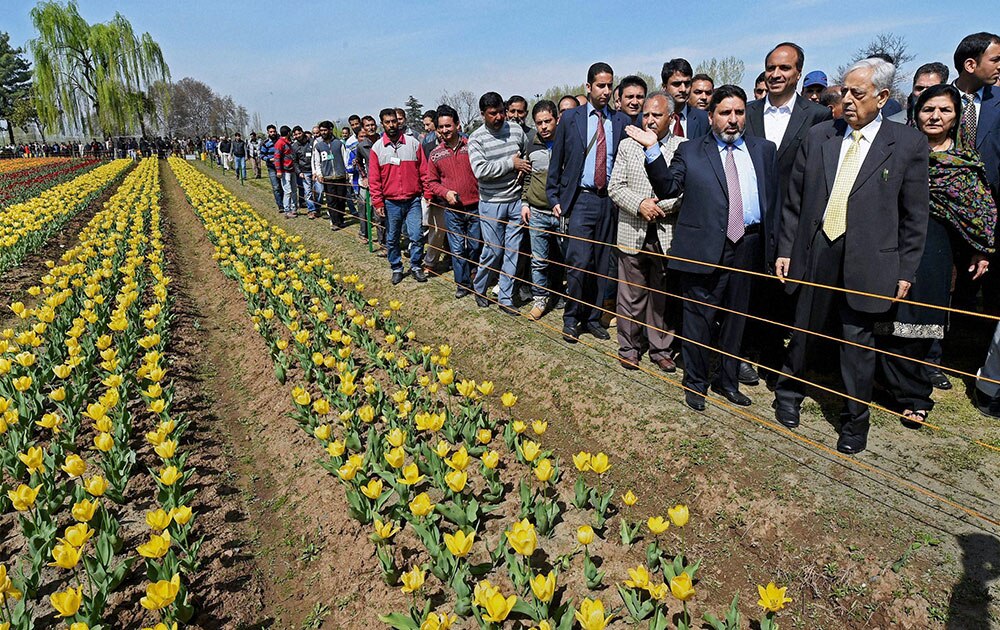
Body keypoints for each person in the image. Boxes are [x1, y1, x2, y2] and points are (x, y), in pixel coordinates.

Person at [773, 58, 930, 455]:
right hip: (817, 249)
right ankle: (788, 393)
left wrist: (905, 269)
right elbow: (794, 201)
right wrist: (787, 250)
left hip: (870, 259)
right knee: (804, 328)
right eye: (843, 91)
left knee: (858, 343)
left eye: (856, 94)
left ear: (882, 97)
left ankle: (855, 421)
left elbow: (915, 216)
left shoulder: (906, 143)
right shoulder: (820, 136)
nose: (845, 100)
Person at [633, 85, 778, 410]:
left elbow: (774, 202)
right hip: (704, 249)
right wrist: (653, 150)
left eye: (739, 112)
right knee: (698, 320)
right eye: (725, 113)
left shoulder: (764, 150)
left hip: (748, 248)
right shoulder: (691, 150)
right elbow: (668, 186)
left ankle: (728, 381)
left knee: (736, 318)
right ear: (711, 116)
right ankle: (695, 383)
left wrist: (775, 250)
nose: (733, 120)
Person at [876, 84, 995, 425]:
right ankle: (884, 383)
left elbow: (980, 211)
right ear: (916, 112)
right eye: (928, 109)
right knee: (886, 314)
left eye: (944, 110)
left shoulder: (964, 161)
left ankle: (914, 395)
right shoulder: (895, 151)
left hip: (936, 248)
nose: (935, 116)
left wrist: (979, 249)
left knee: (920, 321)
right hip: (892, 241)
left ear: (956, 117)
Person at [743, 41, 833, 384]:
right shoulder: (747, 113)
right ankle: (748, 349)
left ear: (798, 72)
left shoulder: (819, 118)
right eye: (771, 68)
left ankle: (778, 354)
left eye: (785, 68)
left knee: (788, 289)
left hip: (797, 219)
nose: (777, 74)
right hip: (754, 219)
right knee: (751, 287)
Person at [548, 62, 634, 341]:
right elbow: (557, 162)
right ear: (588, 86)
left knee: (602, 263)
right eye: (600, 85)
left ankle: (594, 317)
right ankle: (571, 317)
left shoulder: (621, 122)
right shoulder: (571, 119)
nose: (606, 91)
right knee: (579, 262)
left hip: (609, 201)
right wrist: (555, 197)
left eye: (610, 85)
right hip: (581, 200)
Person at [609, 92, 686, 372]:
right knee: (630, 294)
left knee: (662, 297)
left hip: (667, 234)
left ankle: (661, 349)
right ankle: (629, 347)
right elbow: (615, 186)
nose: (650, 120)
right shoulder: (628, 146)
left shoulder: (683, 147)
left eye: (657, 115)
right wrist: (640, 205)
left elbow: (683, 191)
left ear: (672, 118)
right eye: (647, 115)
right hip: (633, 230)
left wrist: (658, 207)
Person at [468, 91, 530, 314]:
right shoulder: (476, 138)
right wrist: (510, 164)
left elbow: (525, 153)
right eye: (493, 114)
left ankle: (506, 297)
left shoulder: (515, 129)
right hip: (491, 202)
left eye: (501, 112)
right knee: (493, 251)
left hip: (515, 200)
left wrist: (523, 167)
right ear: (483, 114)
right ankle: (480, 286)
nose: (499, 117)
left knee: (513, 250)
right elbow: (480, 170)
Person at [953, 32, 1000, 314]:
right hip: (945, 215)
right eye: (995, 60)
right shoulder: (937, 102)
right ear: (971, 65)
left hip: (993, 218)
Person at [423, 105, 481, 298]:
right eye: (441, 127)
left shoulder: (472, 147)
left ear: (457, 125)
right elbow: (431, 181)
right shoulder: (435, 154)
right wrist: (445, 192)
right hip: (452, 209)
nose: (445, 130)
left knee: (474, 246)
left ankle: (475, 277)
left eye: (449, 126)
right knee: (457, 249)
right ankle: (462, 284)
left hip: (475, 207)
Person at [370, 108, 426, 284]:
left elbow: (423, 170)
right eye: (387, 122)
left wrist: (427, 193)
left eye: (394, 121)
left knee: (416, 235)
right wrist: (378, 202)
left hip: (413, 200)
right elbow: (374, 178)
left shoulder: (413, 143)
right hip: (391, 202)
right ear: (382, 124)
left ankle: (416, 265)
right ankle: (396, 267)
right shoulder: (377, 148)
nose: (392, 125)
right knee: (392, 237)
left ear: (399, 121)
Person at [520, 100, 563, 320]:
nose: (544, 126)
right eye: (539, 123)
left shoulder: (567, 143)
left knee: (569, 258)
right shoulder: (531, 146)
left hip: (562, 213)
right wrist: (525, 202)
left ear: (557, 119)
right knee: (538, 260)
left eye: (548, 121)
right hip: (537, 211)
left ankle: (569, 298)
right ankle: (540, 299)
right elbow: (527, 177)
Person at [312, 120, 350, 229]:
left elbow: (345, 158)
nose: (323, 132)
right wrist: (319, 174)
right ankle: (334, 222)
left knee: (341, 199)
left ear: (330, 130)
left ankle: (341, 219)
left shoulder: (339, 143)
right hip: (327, 177)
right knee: (331, 200)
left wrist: (347, 172)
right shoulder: (319, 146)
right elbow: (317, 162)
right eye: (321, 130)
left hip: (340, 176)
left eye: (325, 130)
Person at [661, 58, 710, 138]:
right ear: (664, 87)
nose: (683, 89)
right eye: (677, 84)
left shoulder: (704, 120)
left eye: (687, 83)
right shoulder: (650, 118)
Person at [291, 126, 317, 218]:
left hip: (315, 171)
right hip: (304, 172)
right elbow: (294, 161)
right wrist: (299, 172)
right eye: (296, 134)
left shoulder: (312, 142)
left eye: (299, 133)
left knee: (319, 191)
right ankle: (312, 210)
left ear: (303, 132)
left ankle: (317, 206)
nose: (298, 135)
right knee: (308, 192)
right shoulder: (294, 146)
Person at [274, 125, 298, 218]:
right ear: (288, 133)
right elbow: (277, 157)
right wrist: (279, 170)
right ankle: (287, 210)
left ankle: (294, 208)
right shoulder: (279, 143)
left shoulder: (288, 142)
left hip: (291, 169)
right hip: (284, 171)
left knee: (294, 190)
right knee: (287, 191)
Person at [261, 125, 283, 211]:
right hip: (272, 167)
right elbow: (262, 155)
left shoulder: (280, 141)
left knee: (283, 186)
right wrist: (269, 159)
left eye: (274, 131)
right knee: (276, 187)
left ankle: (286, 203)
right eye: (271, 132)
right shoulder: (265, 143)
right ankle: (280, 205)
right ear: (268, 133)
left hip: (281, 167)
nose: (273, 133)